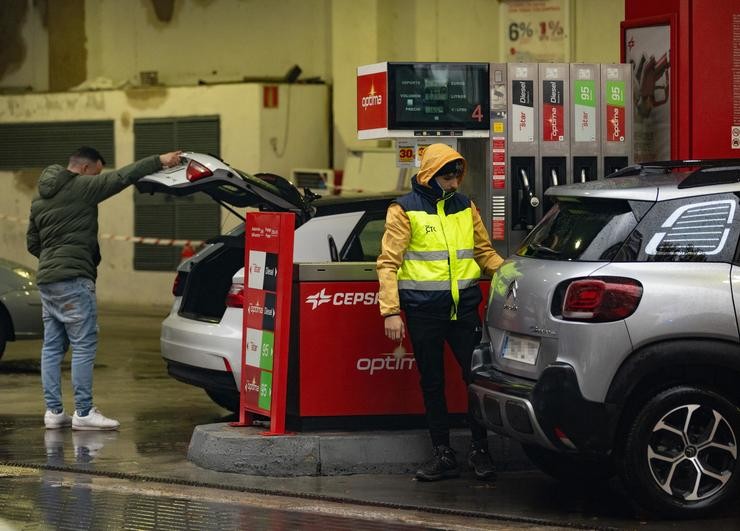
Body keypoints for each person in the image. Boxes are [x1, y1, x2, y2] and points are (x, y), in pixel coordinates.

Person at [27, 146, 182, 430]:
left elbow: (33, 244)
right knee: (84, 345)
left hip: (48, 281)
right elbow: (123, 177)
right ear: (86, 168)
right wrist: (160, 161)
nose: (98, 177)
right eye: (97, 172)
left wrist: (55, 261)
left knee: (51, 347)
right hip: (74, 279)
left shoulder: (39, 199)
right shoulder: (83, 187)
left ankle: (54, 412)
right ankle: (84, 412)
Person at [377, 143, 504, 481]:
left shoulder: (465, 206)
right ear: (430, 174)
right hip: (424, 312)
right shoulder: (404, 209)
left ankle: (480, 449)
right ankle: (442, 453)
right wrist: (390, 311)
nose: (454, 181)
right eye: (447, 175)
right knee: (432, 383)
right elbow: (388, 263)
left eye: (457, 174)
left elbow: (484, 253)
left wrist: (510, 272)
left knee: (474, 379)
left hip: (463, 310)